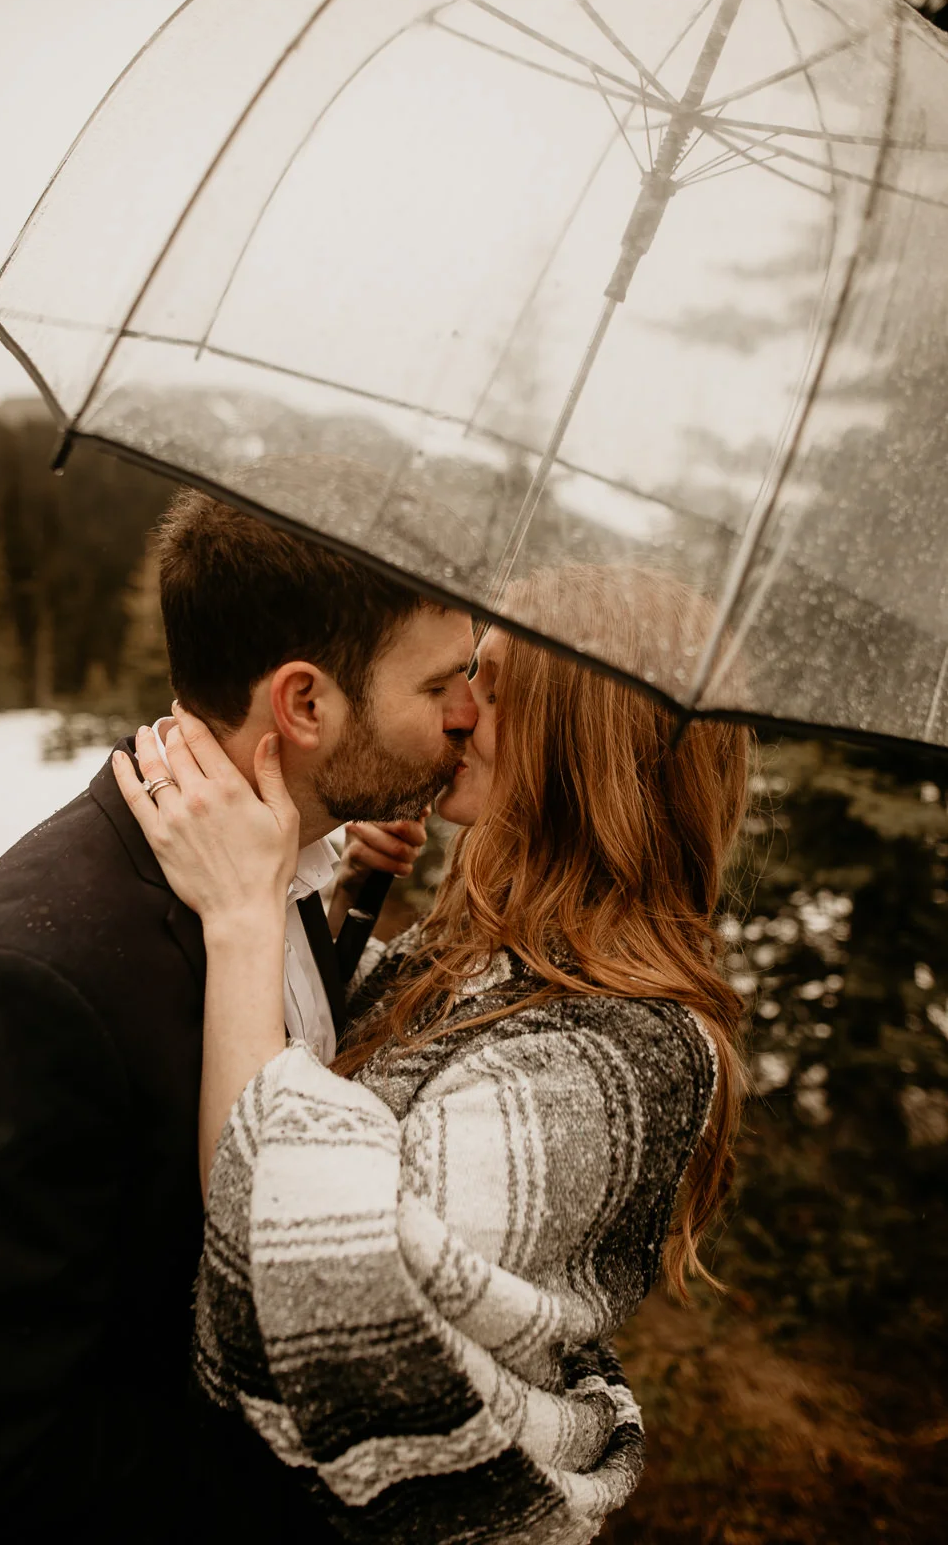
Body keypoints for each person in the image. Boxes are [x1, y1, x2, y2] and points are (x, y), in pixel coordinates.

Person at [0, 482, 476, 1545]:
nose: (467, 711)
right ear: (304, 704)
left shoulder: (274, 861)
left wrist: (343, 898)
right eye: (440, 683)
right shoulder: (21, 987)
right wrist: (326, 1474)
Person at [115, 561, 752, 1543]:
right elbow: (350, 1077)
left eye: (487, 685)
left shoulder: (627, 1047)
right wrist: (329, 904)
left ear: (575, 740)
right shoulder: (490, 948)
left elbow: (322, 1290)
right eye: (455, 678)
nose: (455, 711)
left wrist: (244, 915)